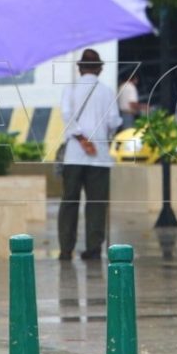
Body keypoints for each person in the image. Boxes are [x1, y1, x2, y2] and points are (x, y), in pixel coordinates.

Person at [58, 48, 121, 261]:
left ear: (80, 69)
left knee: (69, 203)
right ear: (100, 69)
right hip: (100, 157)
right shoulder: (107, 92)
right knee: (96, 204)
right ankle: (93, 249)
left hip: (74, 155)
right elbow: (114, 121)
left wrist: (81, 138)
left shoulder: (70, 89)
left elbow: (66, 115)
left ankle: (66, 249)